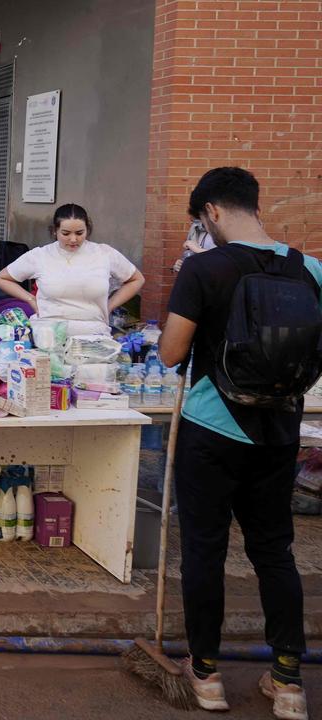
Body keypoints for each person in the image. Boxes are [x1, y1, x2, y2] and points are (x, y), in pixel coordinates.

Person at [159, 167, 317, 719]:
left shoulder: (204, 268)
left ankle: (205, 675)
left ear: (212, 213)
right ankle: (289, 683)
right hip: (279, 430)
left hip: (214, 428)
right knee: (274, 550)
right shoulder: (311, 269)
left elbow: (171, 353)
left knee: (204, 548)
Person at [0, 203, 145, 336]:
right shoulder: (40, 255)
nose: (73, 239)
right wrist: (30, 299)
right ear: (55, 231)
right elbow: (2, 278)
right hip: (48, 337)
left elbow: (136, 279)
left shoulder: (104, 253)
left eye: (80, 233)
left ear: (88, 229)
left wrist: (110, 305)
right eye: (66, 234)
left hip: (94, 337)